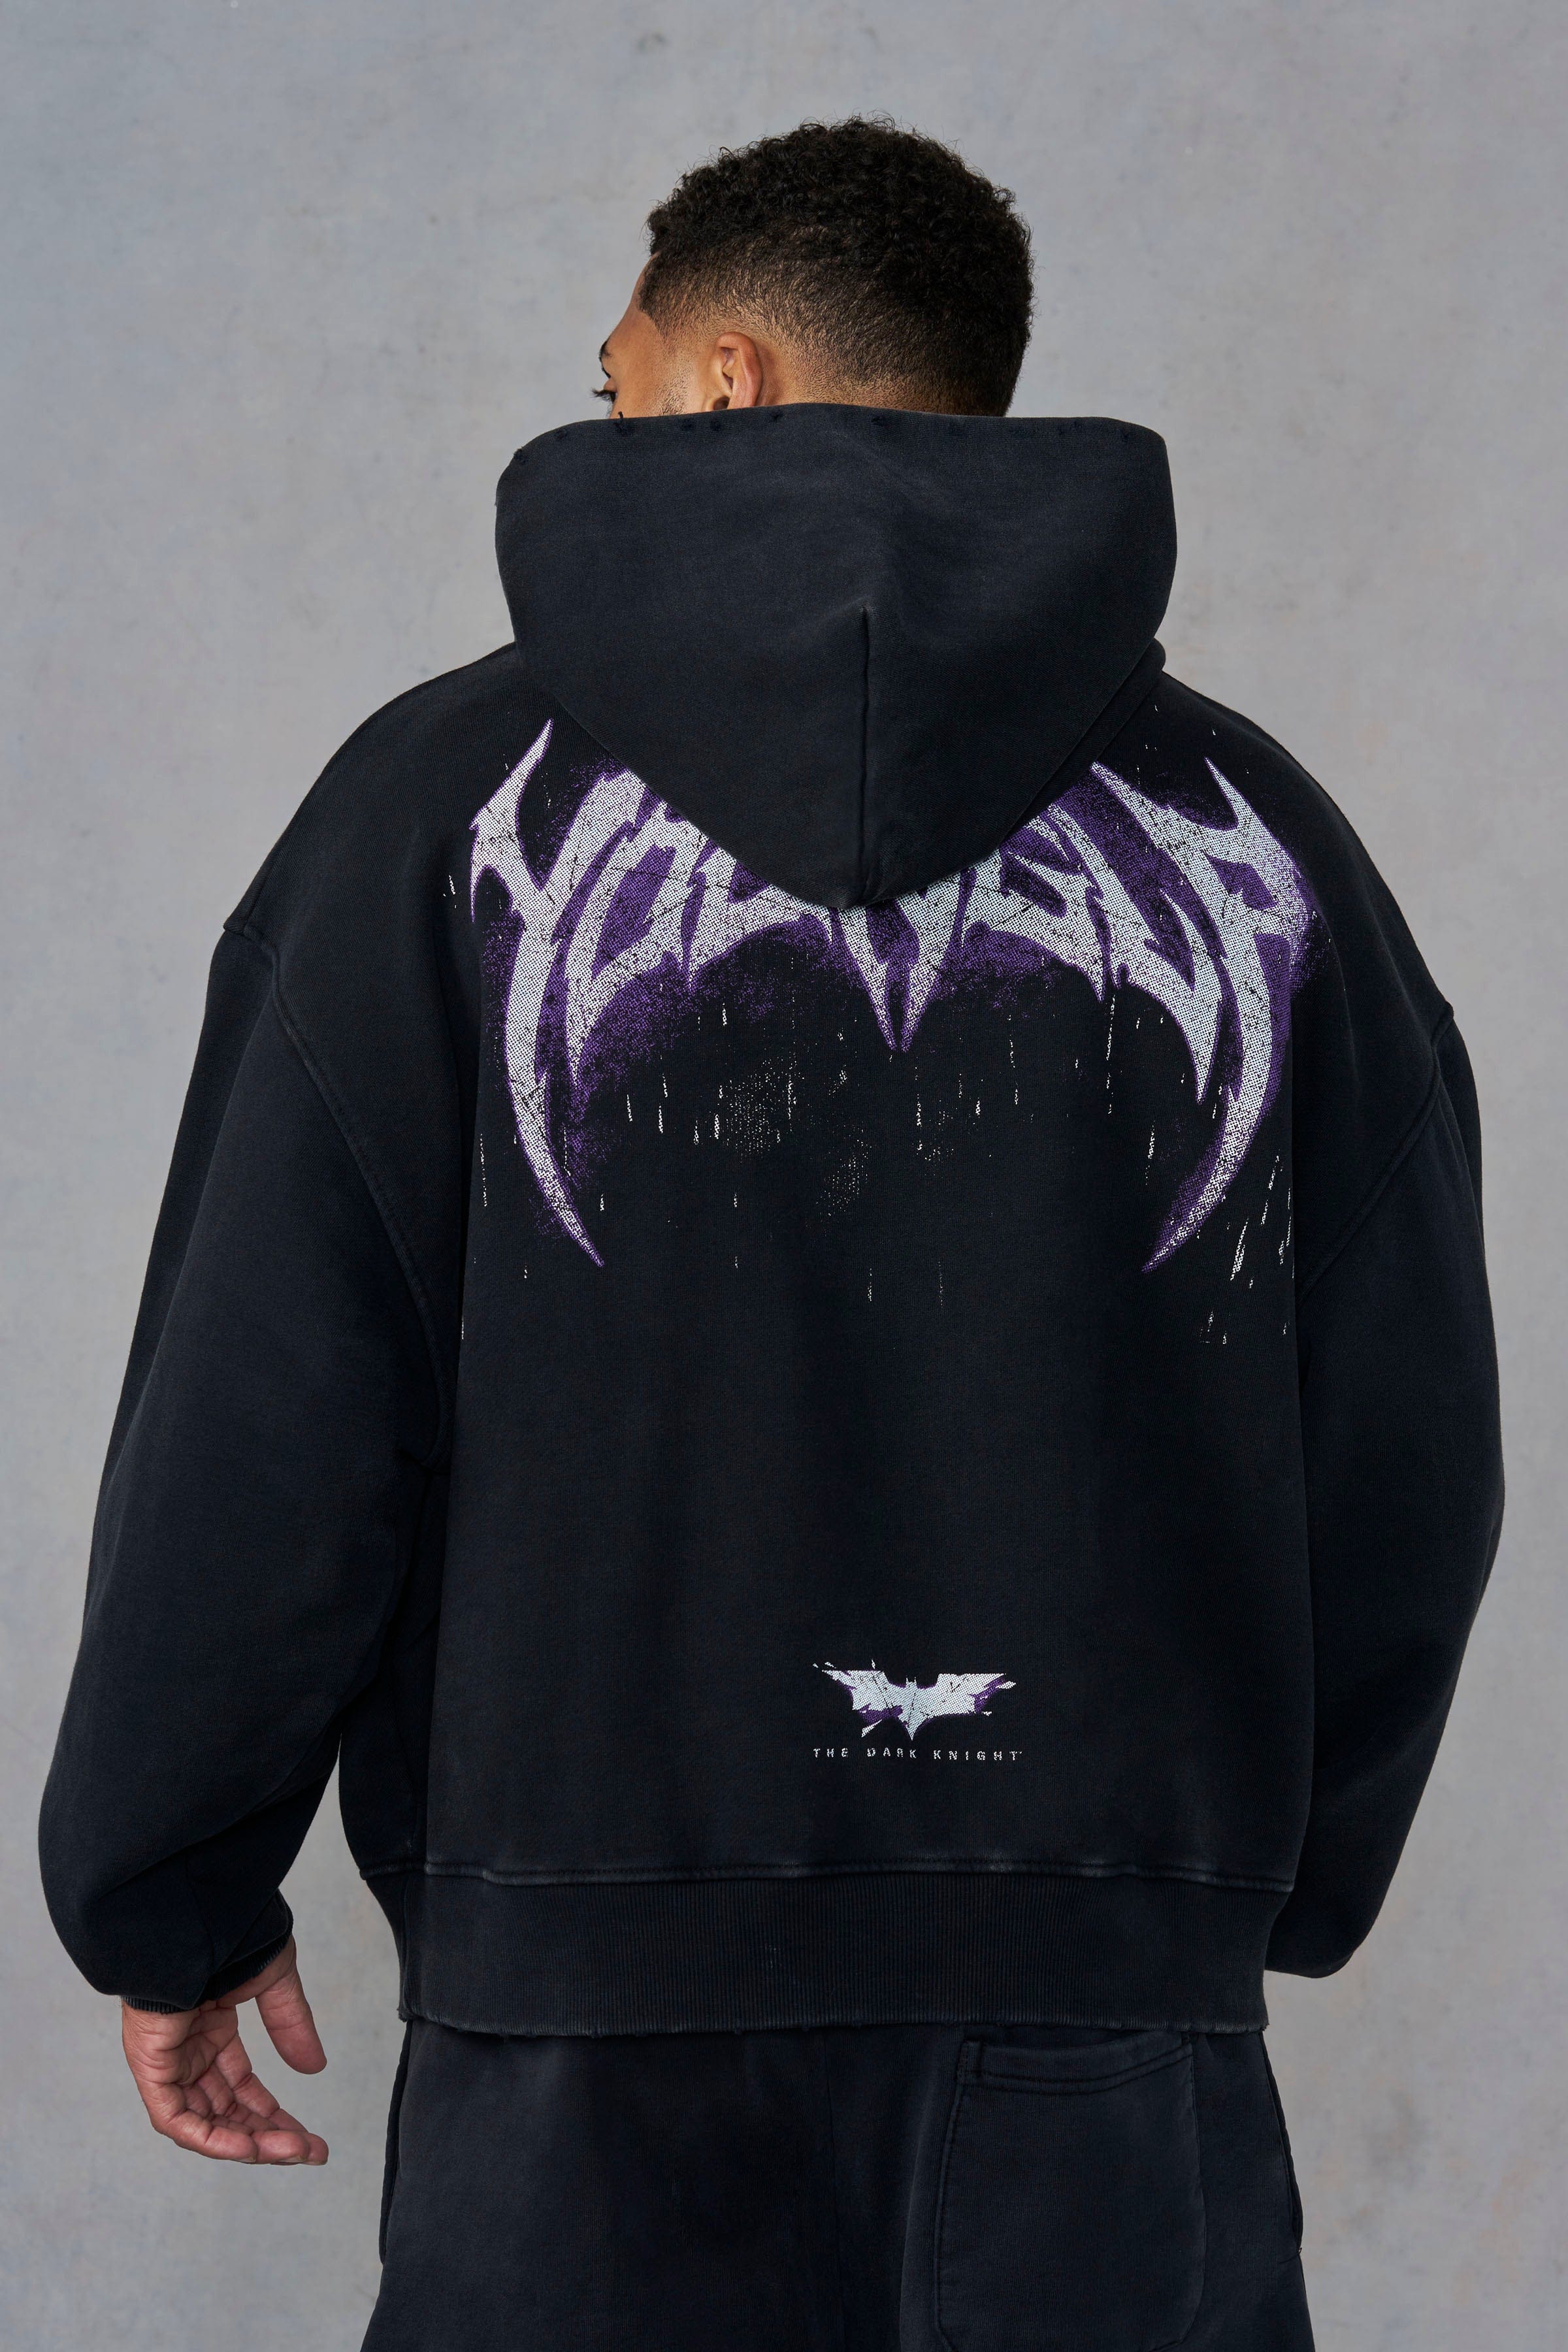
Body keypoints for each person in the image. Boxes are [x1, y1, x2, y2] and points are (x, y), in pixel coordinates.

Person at [41, 118, 1502, 2349]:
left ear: (722, 379)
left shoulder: (435, 822)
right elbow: (1403, 1452)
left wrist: (174, 1880)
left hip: (579, 2040)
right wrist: (1217, 1898)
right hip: (1098, 2043)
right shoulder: (1258, 851)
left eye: (615, 380)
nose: (609, 414)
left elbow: (269, 1411)